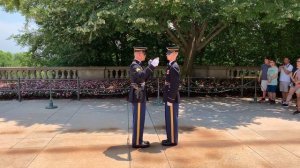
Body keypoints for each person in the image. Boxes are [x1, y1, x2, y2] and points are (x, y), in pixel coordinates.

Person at [129, 47, 159, 148]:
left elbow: (144, 77)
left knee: (140, 119)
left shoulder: (139, 65)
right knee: (138, 120)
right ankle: (137, 142)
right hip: (138, 95)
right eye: (144, 54)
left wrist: (150, 67)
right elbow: (141, 76)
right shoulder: (134, 66)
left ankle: (139, 139)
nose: (145, 55)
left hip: (140, 95)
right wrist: (151, 66)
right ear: (139, 54)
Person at [162, 47, 180, 146]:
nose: (167, 54)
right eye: (167, 52)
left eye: (169, 52)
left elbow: (175, 85)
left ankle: (172, 140)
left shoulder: (174, 66)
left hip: (171, 98)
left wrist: (170, 99)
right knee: (168, 119)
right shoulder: (170, 65)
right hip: (168, 96)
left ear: (175, 54)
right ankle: (169, 138)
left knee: (172, 120)